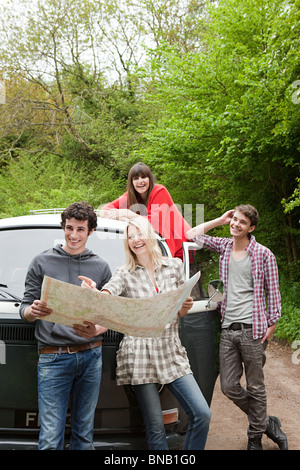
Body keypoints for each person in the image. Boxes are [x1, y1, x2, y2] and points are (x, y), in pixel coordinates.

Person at [79, 216, 211, 450]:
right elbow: (110, 291)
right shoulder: (125, 272)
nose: (135, 240)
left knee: (202, 413)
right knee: (155, 427)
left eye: (139, 233)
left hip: (171, 351)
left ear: (150, 235)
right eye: (130, 237)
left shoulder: (174, 266)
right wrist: (96, 292)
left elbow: (179, 311)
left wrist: (184, 307)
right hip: (139, 354)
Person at [187, 204, 288, 450]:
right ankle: (266, 423)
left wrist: (272, 324)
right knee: (229, 386)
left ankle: (255, 439)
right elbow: (191, 235)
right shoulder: (223, 246)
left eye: (242, 222)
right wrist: (220, 220)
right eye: (235, 220)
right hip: (228, 329)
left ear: (251, 228)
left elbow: (272, 292)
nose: (236, 224)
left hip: (253, 329)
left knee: (255, 386)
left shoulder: (264, 254)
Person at [19, 202, 112, 450]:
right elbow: (24, 309)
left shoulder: (101, 267)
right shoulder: (41, 262)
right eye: (69, 228)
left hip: (91, 356)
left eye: (80, 229)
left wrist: (97, 330)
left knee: (84, 436)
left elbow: (109, 316)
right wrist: (33, 311)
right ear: (63, 227)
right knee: (50, 439)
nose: (73, 235)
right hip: (53, 357)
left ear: (90, 231)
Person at [100, 162, 191, 259]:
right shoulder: (131, 195)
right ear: (131, 182)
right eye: (136, 178)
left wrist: (128, 214)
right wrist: (119, 216)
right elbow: (105, 209)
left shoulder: (160, 191)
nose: (140, 181)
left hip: (179, 248)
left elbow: (154, 223)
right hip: (157, 248)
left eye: (143, 177)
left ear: (150, 179)